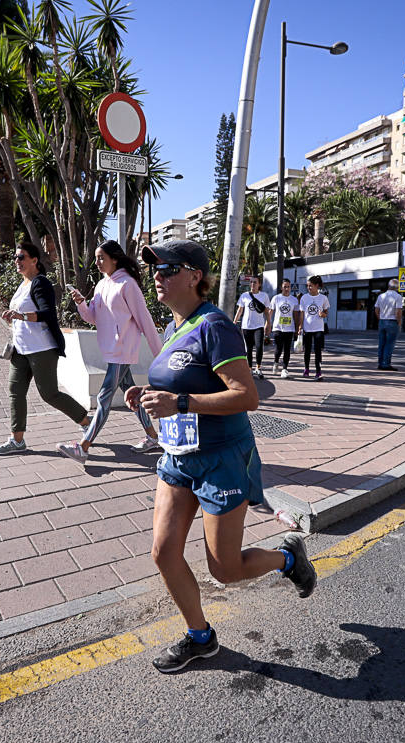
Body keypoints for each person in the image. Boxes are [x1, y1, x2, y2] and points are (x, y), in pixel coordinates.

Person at [127, 239, 315, 673]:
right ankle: (201, 637)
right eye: (154, 269)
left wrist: (180, 403)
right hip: (178, 456)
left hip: (221, 460)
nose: (158, 276)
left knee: (225, 570)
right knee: (163, 552)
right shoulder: (178, 323)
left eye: (168, 268)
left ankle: (289, 557)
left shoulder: (215, 326)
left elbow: (246, 396)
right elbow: (180, 383)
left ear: (195, 275)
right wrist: (150, 395)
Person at [58, 240, 165, 465]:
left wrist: (161, 356)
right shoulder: (101, 285)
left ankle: (83, 446)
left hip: (122, 350)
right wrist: (81, 304)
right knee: (132, 394)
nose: (96, 262)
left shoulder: (128, 285)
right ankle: (153, 437)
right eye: (96, 258)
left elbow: (145, 320)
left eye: (101, 258)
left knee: (103, 398)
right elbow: (92, 318)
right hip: (111, 350)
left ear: (114, 259)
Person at [0, 241, 91, 455]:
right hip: (20, 350)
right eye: (15, 257)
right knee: (15, 392)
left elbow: (48, 314)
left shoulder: (41, 283)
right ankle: (17, 440)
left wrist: (21, 316)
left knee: (49, 394)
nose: (16, 261)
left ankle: (86, 421)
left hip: (41, 349)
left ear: (34, 260)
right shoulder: (23, 285)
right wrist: (15, 317)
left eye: (21, 257)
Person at [233, 275, 270, 379]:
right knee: (248, 349)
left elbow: (267, 312)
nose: (252, 284)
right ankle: (249, 369)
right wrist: (234, 322)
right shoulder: (244, 296)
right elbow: (240, 310)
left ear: (259, 284)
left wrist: (269, 323)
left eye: (255, 282)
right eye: (251, 282)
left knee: (259, 347)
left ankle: (258, 367)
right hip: (246, 326)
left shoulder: (264, 296)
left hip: (259, 326)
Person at [297, 275, 329, 380]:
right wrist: (300, 326)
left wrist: (322, 314)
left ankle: (318, 371)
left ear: (316, 286)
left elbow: (326, 313)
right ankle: (306, 369)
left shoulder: (323, 298)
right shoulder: (304, 298)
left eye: (310, 286)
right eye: (307, 286)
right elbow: (301, 313)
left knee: (318, 350)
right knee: (307, 350)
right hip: (307, 328)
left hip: (318, 328)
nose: (309, 288)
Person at [266, 278, 298, 378]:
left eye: (288, 287)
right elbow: (270, 313)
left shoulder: (294, 300)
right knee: (279, 349)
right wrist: (267, 324)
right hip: (277, 328)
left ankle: (284, 369)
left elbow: (296, 315)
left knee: (287, 349)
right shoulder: (276, 298)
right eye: (285, 287)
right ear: (281, 287)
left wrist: (298, 328)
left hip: (289, 328)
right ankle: (276, 362)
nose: (287, 289)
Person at [374, 278, 404, 371]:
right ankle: (386, 364)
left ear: (388, 286)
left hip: (382, 321)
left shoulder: (381, 296)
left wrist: (380, 318)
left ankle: (380, 363)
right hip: (392, 321)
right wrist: (399, 322)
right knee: (389, 344)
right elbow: (398, 311)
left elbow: (376, 309)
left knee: (381, 343)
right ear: (397, 287)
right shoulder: (398, 297)